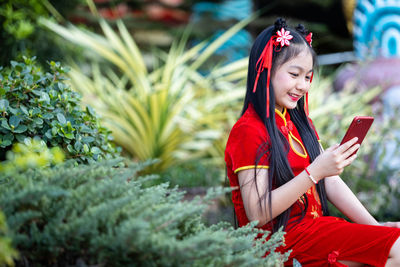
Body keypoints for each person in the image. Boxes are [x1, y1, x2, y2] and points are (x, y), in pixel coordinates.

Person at [224, 17, 400, 266]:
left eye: (308, 77)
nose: (303, 85)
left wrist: (376, 228)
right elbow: (257, 212)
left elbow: (330, 181)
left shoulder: (298, 123)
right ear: (265, 70)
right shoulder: (249, 130)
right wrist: (315, 171)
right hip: (278, 245)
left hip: (312, 232)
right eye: (294, 74)